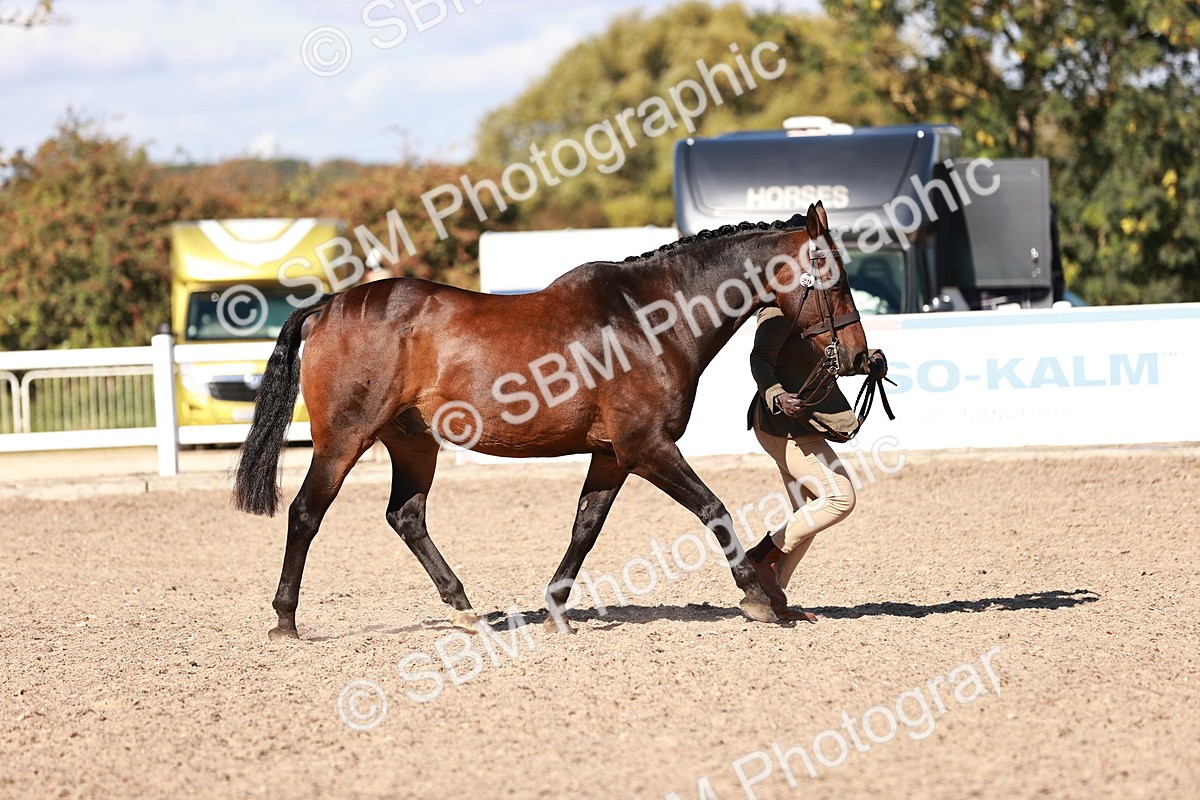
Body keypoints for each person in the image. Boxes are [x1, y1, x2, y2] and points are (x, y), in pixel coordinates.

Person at [744, 305, 876, 622]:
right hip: (783, 426)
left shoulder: (815, 312)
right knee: (840, 498)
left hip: (801, 425)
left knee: (809, 514)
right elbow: (759, 359)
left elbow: (835, 356)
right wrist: (776, 394)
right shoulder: (778, 314)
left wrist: (869, 361)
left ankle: (765, 600)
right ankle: (760, 557)